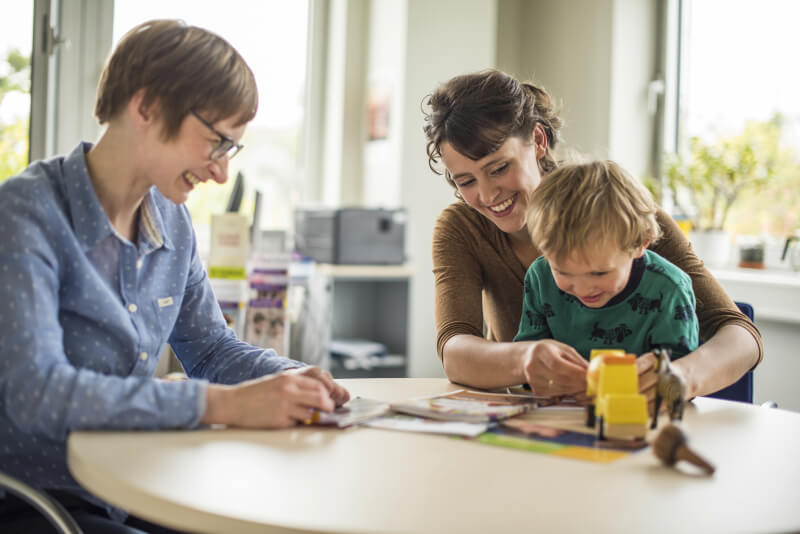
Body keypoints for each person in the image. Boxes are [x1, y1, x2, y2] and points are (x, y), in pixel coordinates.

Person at [0, 19, 349, 533]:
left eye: (230, 149)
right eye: (216, 142)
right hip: (40, 501)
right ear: (146, 107)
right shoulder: (25, 213)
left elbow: (210, 350)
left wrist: (291, 378)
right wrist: (225, 404)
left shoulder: (171, 219)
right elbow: (37, 393)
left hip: (136, 482)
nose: (221, 172)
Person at [423, 68, 761, 403]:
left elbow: (742, 337)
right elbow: (454, 350)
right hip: (534, 417)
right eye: (466, 181)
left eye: (499, 168)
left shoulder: (621, 213)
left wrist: (681, 376)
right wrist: (523, 360)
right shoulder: (461, 227)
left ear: (538, 140)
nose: (487, 194)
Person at [513, 160, 699, 369]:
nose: (582, 289)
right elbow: (528, 357)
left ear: (640, 243)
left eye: (599, 273)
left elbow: (680, 373)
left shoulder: (669, 289)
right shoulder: (540, 277)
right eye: (563, 272)